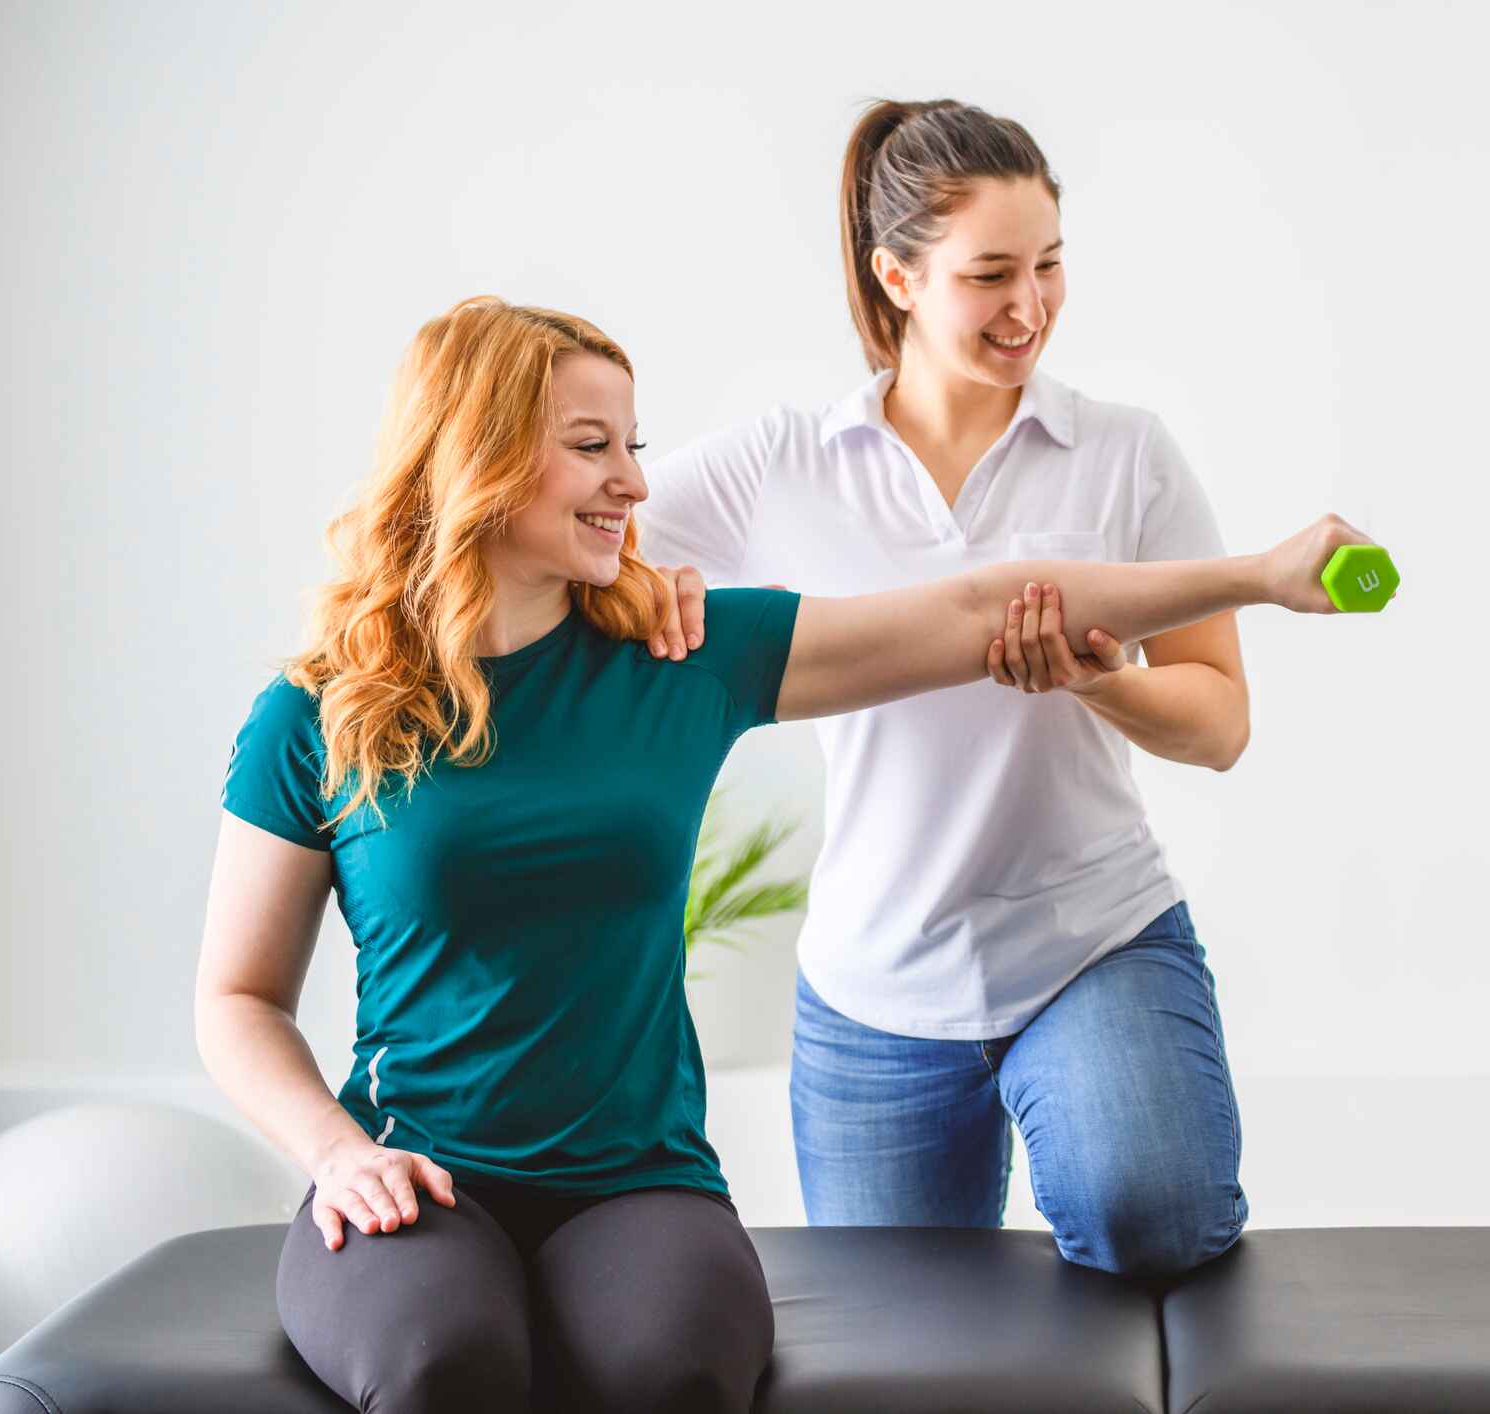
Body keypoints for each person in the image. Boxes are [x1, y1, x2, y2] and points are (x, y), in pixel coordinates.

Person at [193, 294, 1366, 1413]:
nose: (636, 482)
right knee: (445, 1365)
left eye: (633, 444)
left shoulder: (681, 657)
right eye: (593, 446)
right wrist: (338, 1156)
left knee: (678, 1372)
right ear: (482, 456)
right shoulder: (324, 712)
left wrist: (1257, 577)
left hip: (636, 1178)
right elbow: (237, 998)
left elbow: (981, 608)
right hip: (418, 1169)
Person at [638, 98, 1264, 1278]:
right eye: (989, 275)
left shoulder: (1125, 455)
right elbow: (589, 543)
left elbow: (1221, 722)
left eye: (1049, 266)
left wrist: (1104, 682)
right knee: (900, 1344)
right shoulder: (787, 463)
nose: (1028, 306)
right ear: (898, 278)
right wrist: (646, 593)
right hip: (874, 983)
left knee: (1155, 1217)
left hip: (1092, 940)